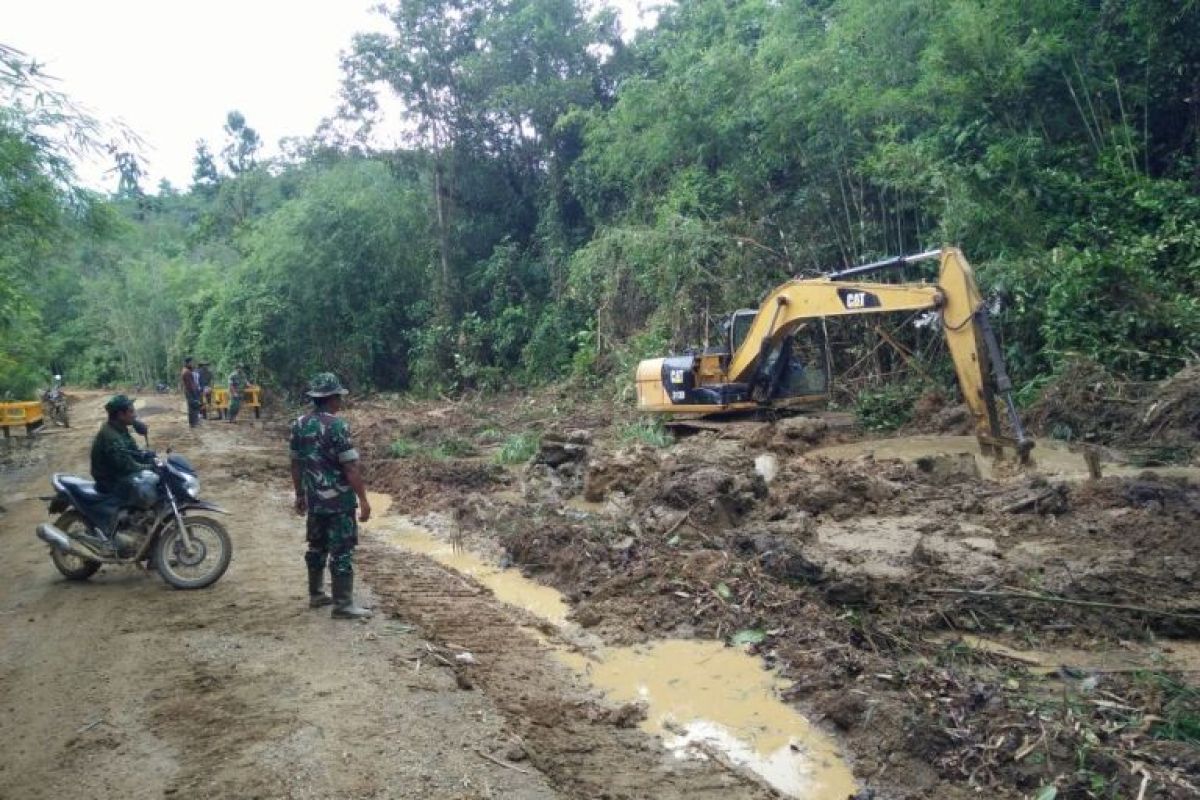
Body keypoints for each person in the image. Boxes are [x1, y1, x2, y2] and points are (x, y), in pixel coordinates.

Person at [289, 372, 373, 619]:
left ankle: (316, 595)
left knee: (316, 546)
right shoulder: (337, 426)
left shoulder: (299, 424)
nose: (341, 402)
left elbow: (295, 464)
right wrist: (364, 500)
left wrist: (299, 494)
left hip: (315, 501)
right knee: (342, 550)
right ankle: (343, 605)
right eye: (339, 397)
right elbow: (350, 467)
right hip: (338, 503)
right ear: (333, 398)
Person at [90, 395, 153, 542]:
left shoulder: (121, 429)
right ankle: (126, 530)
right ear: (120, 414)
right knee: (143, 488)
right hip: (110, 480)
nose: (134, 414)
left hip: (118, 474)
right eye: (131, 411)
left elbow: (133, 452)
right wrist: (149, 467)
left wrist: (148, 456)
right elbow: (127, 465)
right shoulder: (111, 436)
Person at [179, 356, 201, 427]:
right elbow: (190, 385)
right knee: (193, 407)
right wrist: (194, 393)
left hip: (188, 391)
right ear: (188, 363)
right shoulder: (187, 372)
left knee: (191, 407)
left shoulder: (185, 370)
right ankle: (193, 423)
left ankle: (193, 423)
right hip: (190, 391)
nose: (192, 364)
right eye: (191, 363)